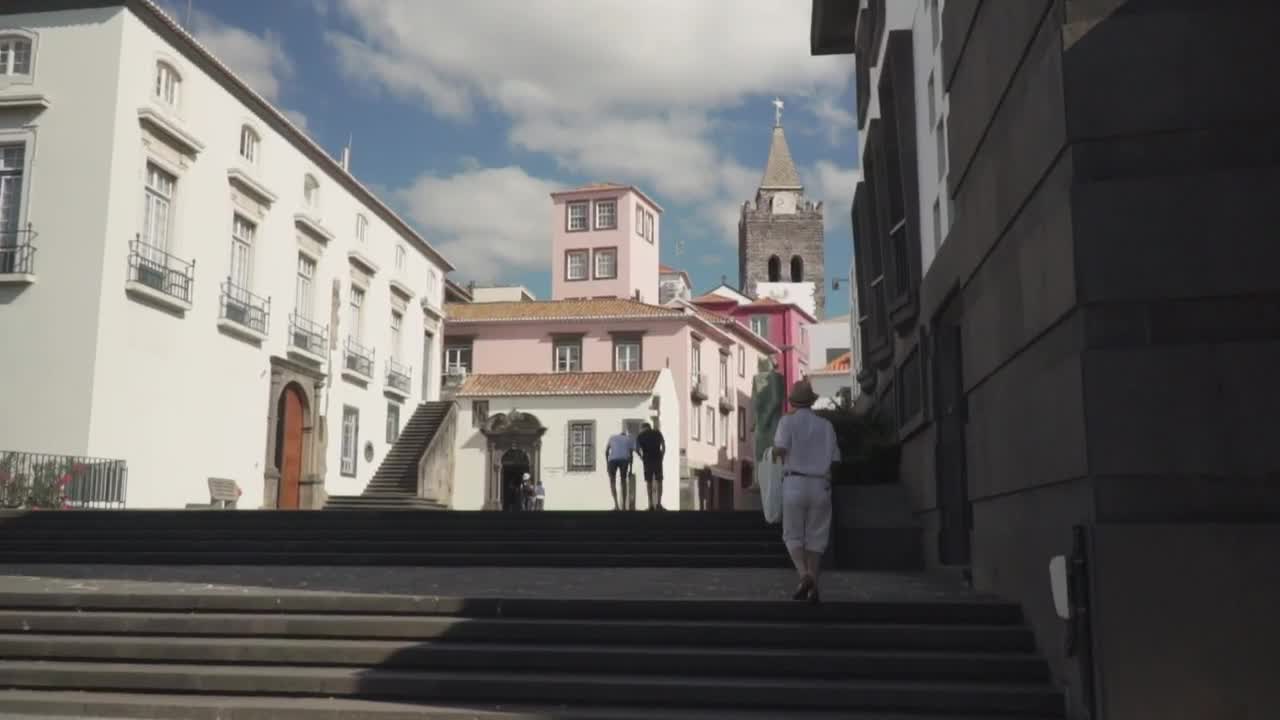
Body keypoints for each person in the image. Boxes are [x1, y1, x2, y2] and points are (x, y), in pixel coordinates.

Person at [772, 378, 840, 604]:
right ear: (811, 401)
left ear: (793, 402)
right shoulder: (826, 426)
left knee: (792, 535)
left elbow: (780, 450)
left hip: (794, 483)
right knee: (816, 538)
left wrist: (773, 452)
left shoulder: (786, 422)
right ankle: (813, 587)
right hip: (820, 484)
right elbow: (835, 459)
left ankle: (804, 575)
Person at [635, 422, 666, 511]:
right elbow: (663, 445)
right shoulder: (657, 433)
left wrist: (641, 457)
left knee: (649, 482)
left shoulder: (640, 436)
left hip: (647, 460)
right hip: (657, 459)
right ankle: (659, 504)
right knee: (659, 481)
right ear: (649, 427)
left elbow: (637, 449)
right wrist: (662, 456)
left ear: (643, 428)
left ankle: (651, 505)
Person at [604, 428, 634, 511]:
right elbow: (631, 455)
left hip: (612, 460)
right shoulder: (628, 439)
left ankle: (616, 505)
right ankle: (623, 506)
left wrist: (607, 464)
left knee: (612, 481)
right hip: (624, 459)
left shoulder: (612, 437)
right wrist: (630, 469)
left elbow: (606, 451)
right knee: (623, 481)